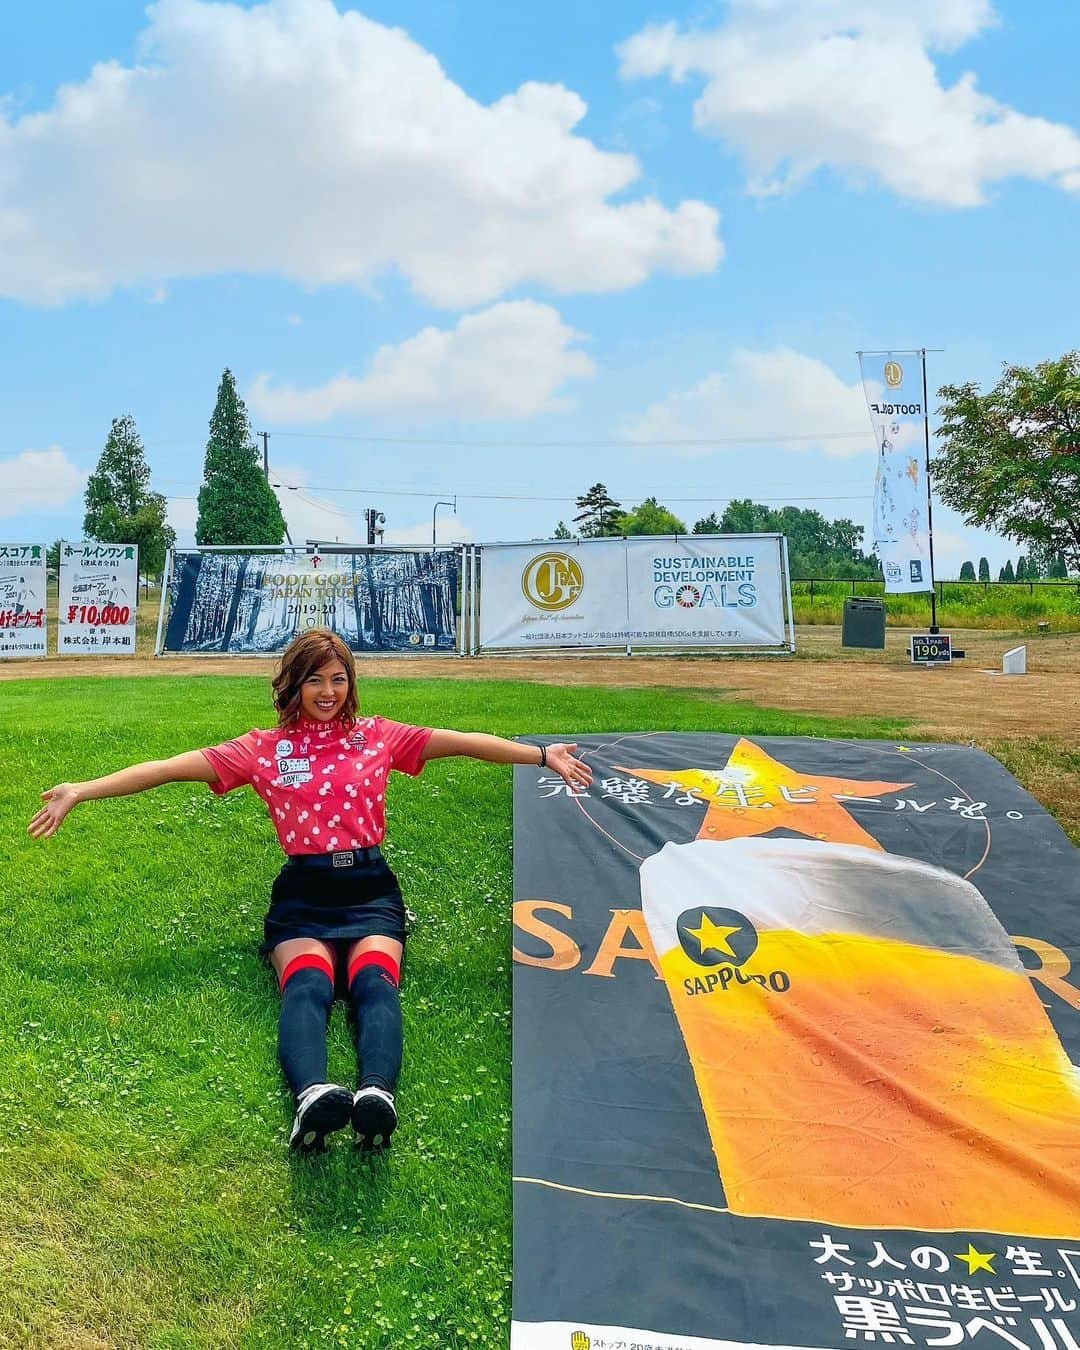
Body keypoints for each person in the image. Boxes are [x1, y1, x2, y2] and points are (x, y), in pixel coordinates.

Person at [28, 628, 592, 1154]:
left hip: (371, 890)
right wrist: (82, 789)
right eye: (315, 680)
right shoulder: (262, 749)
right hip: (303, 896)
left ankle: (377, 1096)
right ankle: (312, 1099)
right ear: (293, 685)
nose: (328, 691)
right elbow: (168, 768)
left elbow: (464, 743)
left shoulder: (380, 736)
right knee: (309, 986)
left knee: (374, 983)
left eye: (338, 678)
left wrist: (541, 756)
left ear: (351, 684)